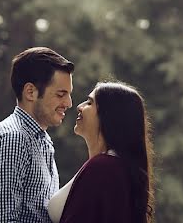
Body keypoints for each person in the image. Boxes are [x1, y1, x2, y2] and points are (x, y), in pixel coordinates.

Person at [0, 47, 75, 223]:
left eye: (68, 95)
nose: (68, 103)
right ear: (30, 92)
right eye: (61, 94)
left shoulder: (41, 141)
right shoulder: (12, 139)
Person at [47, 81, 155, 223]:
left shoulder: (103, 167)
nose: (79, 106)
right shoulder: (114, 167)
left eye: (90, 103)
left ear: (109, 115)